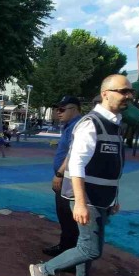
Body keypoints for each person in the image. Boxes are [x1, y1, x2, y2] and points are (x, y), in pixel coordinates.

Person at [30, 75, 133, 276]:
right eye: (123, 91)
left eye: (130, 92)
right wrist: (80, 202)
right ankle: (43, 270)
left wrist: (114, 198)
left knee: (84, 244)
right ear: (106, 94)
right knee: (90, 249)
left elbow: (113, 165)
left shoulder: (116, 124)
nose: (128, 96)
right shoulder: (91, 124)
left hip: (103, 198)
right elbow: (76, 163)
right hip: (88, 198)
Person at [42, 96, 82, 258]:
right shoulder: (69, 126)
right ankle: (65, 247)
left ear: (74, 109)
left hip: (69, 179)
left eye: (62, 109)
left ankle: (69, 253)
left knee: (68, 216)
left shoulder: (77, 126)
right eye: (57, 109)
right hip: (65, 178)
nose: (58, 112)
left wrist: (59, 174)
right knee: (64, 215)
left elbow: (73, 153)